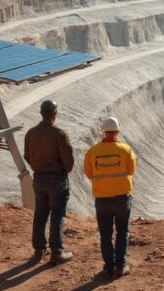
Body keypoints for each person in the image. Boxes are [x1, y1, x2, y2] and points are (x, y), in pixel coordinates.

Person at [84, 116, 137, 279]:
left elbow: (89, 173)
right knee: (122, 232)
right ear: (117, 131)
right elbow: (131, 170)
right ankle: (120, 267)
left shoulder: (93, 151)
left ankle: (108, 267)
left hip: (102, 199)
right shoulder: (126, 150)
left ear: (104, 132)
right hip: (122, 198)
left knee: (105, 234)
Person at [23, 99, 75, 265]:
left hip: (39, 178)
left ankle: (39, 251)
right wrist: (61, 170)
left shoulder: (31, 133)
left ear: (41, 113)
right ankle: (57, 252)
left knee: (40, 214)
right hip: (57, 179)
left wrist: (38, 168)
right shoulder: (60, 134)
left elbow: (27, 156)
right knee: (57, 215)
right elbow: (69, 162)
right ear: (55, 114)